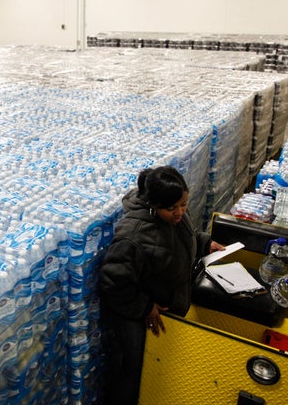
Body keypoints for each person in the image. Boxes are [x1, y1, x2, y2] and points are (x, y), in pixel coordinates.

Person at [98, 166, 225, 405]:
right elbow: (112, 281)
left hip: (163, 306)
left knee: (153, 363)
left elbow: (182, 238)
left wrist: (205, 243)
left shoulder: (173, 215)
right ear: (153, 205)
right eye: (172, 208)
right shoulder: (133, 236)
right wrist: (145, 307)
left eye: (184, 204)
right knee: (133, 368)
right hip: (134, 316)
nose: (180, 212)